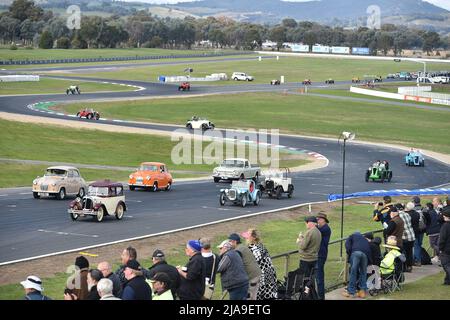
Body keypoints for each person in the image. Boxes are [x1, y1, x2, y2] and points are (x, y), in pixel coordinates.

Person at [242, 228, 278, 300]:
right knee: (269, 296)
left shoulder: (251, 248)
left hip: (261, 278)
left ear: (253, 237)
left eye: (247, 236)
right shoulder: (261, 246)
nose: (245, 238)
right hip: (270, 275)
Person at [228, 233, 261, 300]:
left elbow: (236, 265)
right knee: (253, 296)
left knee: (249, 297)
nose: (229, 243)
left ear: (235, 242)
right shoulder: (242, 247)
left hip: (251, 277)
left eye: (230, 241)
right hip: (256, 274)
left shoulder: (238, 251)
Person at [343, 232, 372, 298]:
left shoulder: (350, 237)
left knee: (353, 272)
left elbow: (347, 246)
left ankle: (351, 291)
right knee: (363, 273)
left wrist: (350, 255)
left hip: (356, 253)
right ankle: (362, 292)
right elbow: (368, 249)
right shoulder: (364, 239)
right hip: (365, 255)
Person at [297, 216, 322, 283]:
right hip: (314, 258)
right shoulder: (318, 232)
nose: (306, 224)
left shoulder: (310, 232)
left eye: (307, 222)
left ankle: (305, 293)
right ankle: (311, 293)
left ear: (311, 223)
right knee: (311, 280)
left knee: (304, 280)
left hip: (306, 259)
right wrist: (303, 238)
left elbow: (302, 246)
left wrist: (299, 240)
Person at [315, 213, 331, 300]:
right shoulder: (320, 228)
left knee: (319, 278)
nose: (317, 221)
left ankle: (321, 297)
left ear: (323, 220)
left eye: (318, 219)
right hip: (318, 255)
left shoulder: (325, 229)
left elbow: (315, 231)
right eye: (317, 219)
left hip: (320, 255)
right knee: (315, 277)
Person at [398, 203, 415, 272]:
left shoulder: (399, 216)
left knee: (403, 252)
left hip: (404, 237)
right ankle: (409, 266)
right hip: (411, 236)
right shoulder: (407, 214)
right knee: (409, 252)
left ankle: (404, 267)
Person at [412, 196, 426, 266]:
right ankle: (418, 259)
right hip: (422, 229)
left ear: (414, 202)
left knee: (416, 245)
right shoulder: (424, 209)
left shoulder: (412, 210)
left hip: (415, 230)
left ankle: (417, 260)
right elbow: (427, 219)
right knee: (419, 244)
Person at [439, 207, 450, 285]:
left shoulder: (445, 226)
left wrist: (440, 248)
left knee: (445, 264)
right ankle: (447, 281)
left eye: (444, 215)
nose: (443, 216)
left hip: (446, 248)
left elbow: (442, 239)